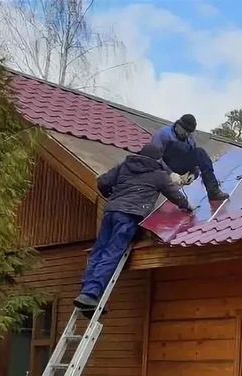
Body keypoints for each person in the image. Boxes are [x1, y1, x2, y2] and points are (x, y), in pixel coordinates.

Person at [74, 143, 192, 313]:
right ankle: (91, 294)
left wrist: (111, 195)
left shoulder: (125, 166)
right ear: (158, 159)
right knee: (112, 252)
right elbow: (175, 195)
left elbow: (102, 182)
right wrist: (188, 206)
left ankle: (87, 292)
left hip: (111, 212)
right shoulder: (158, 175)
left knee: (99, 251)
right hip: (129, 215)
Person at [151, 114, 229, 201]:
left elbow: (195, 160)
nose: (186, 134)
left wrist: (193, 174)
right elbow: (153, 158)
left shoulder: (190, 139)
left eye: (188, 133)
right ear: (178, 125)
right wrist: (170, 173)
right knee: (172, 148)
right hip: (162, 166)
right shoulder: (163, 134)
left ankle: (213, 191)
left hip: (179, 165)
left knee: (200, 153)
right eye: (183, 131)